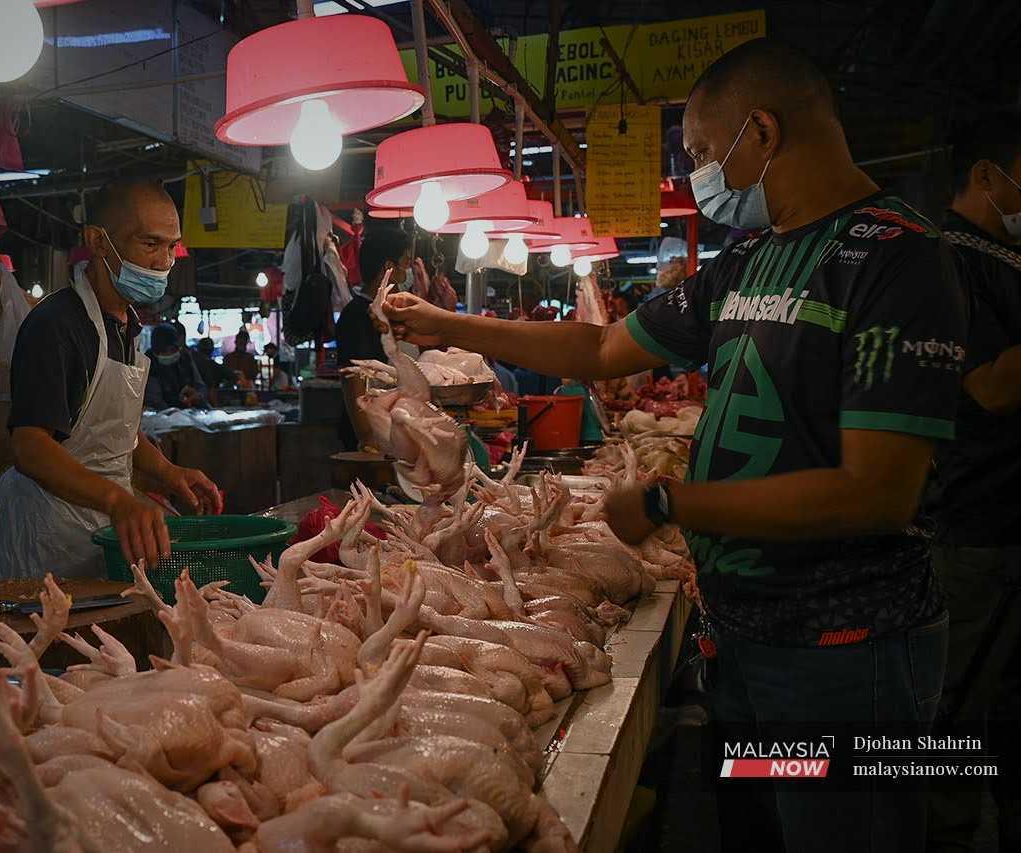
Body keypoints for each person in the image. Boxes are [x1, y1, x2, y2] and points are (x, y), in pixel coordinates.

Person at [382, 38, 966, 853]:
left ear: (759, 134)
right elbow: (600, 350)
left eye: (699, 153)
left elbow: (877, 490)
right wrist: (445, 324)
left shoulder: (898, 260)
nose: (698, 173)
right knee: (758, 834)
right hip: (747, 644)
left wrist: (670, 501)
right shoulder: (747, 263)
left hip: (844, 656)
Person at [0, 177, 222, 579]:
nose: (164, 262)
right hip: (51, 540)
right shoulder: (55, 325)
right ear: (99, 242)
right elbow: (29, 446)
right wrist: (118, 501)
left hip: (110, 530)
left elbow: (118, 435)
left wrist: (169, 474)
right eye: (150, 244)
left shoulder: (126, 326)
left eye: (171, 246)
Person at [922, 112, 1021, 853]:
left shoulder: (1004, 258)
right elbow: (988, 387)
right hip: (974, 526)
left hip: (1003, 524)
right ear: (986, 174)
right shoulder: (950, 260)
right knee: (952, 715)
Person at [336, 226, 411, 450]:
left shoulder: (391, 313)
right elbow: (354, 381)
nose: (408, 273)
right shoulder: (357, 316)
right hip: (373, 443)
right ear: (389, 267)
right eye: (406, 263)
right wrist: (368, 439)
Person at [144, 325, 205, 410]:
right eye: (163, 351)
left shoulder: (185, 358)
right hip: (162, 416)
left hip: (191, 412)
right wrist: (173, 413)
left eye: (172, 349)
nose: (169, 353)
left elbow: (200, 386)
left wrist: (197, 395)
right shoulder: (148, 363)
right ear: (156, 350)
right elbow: (154, 400)